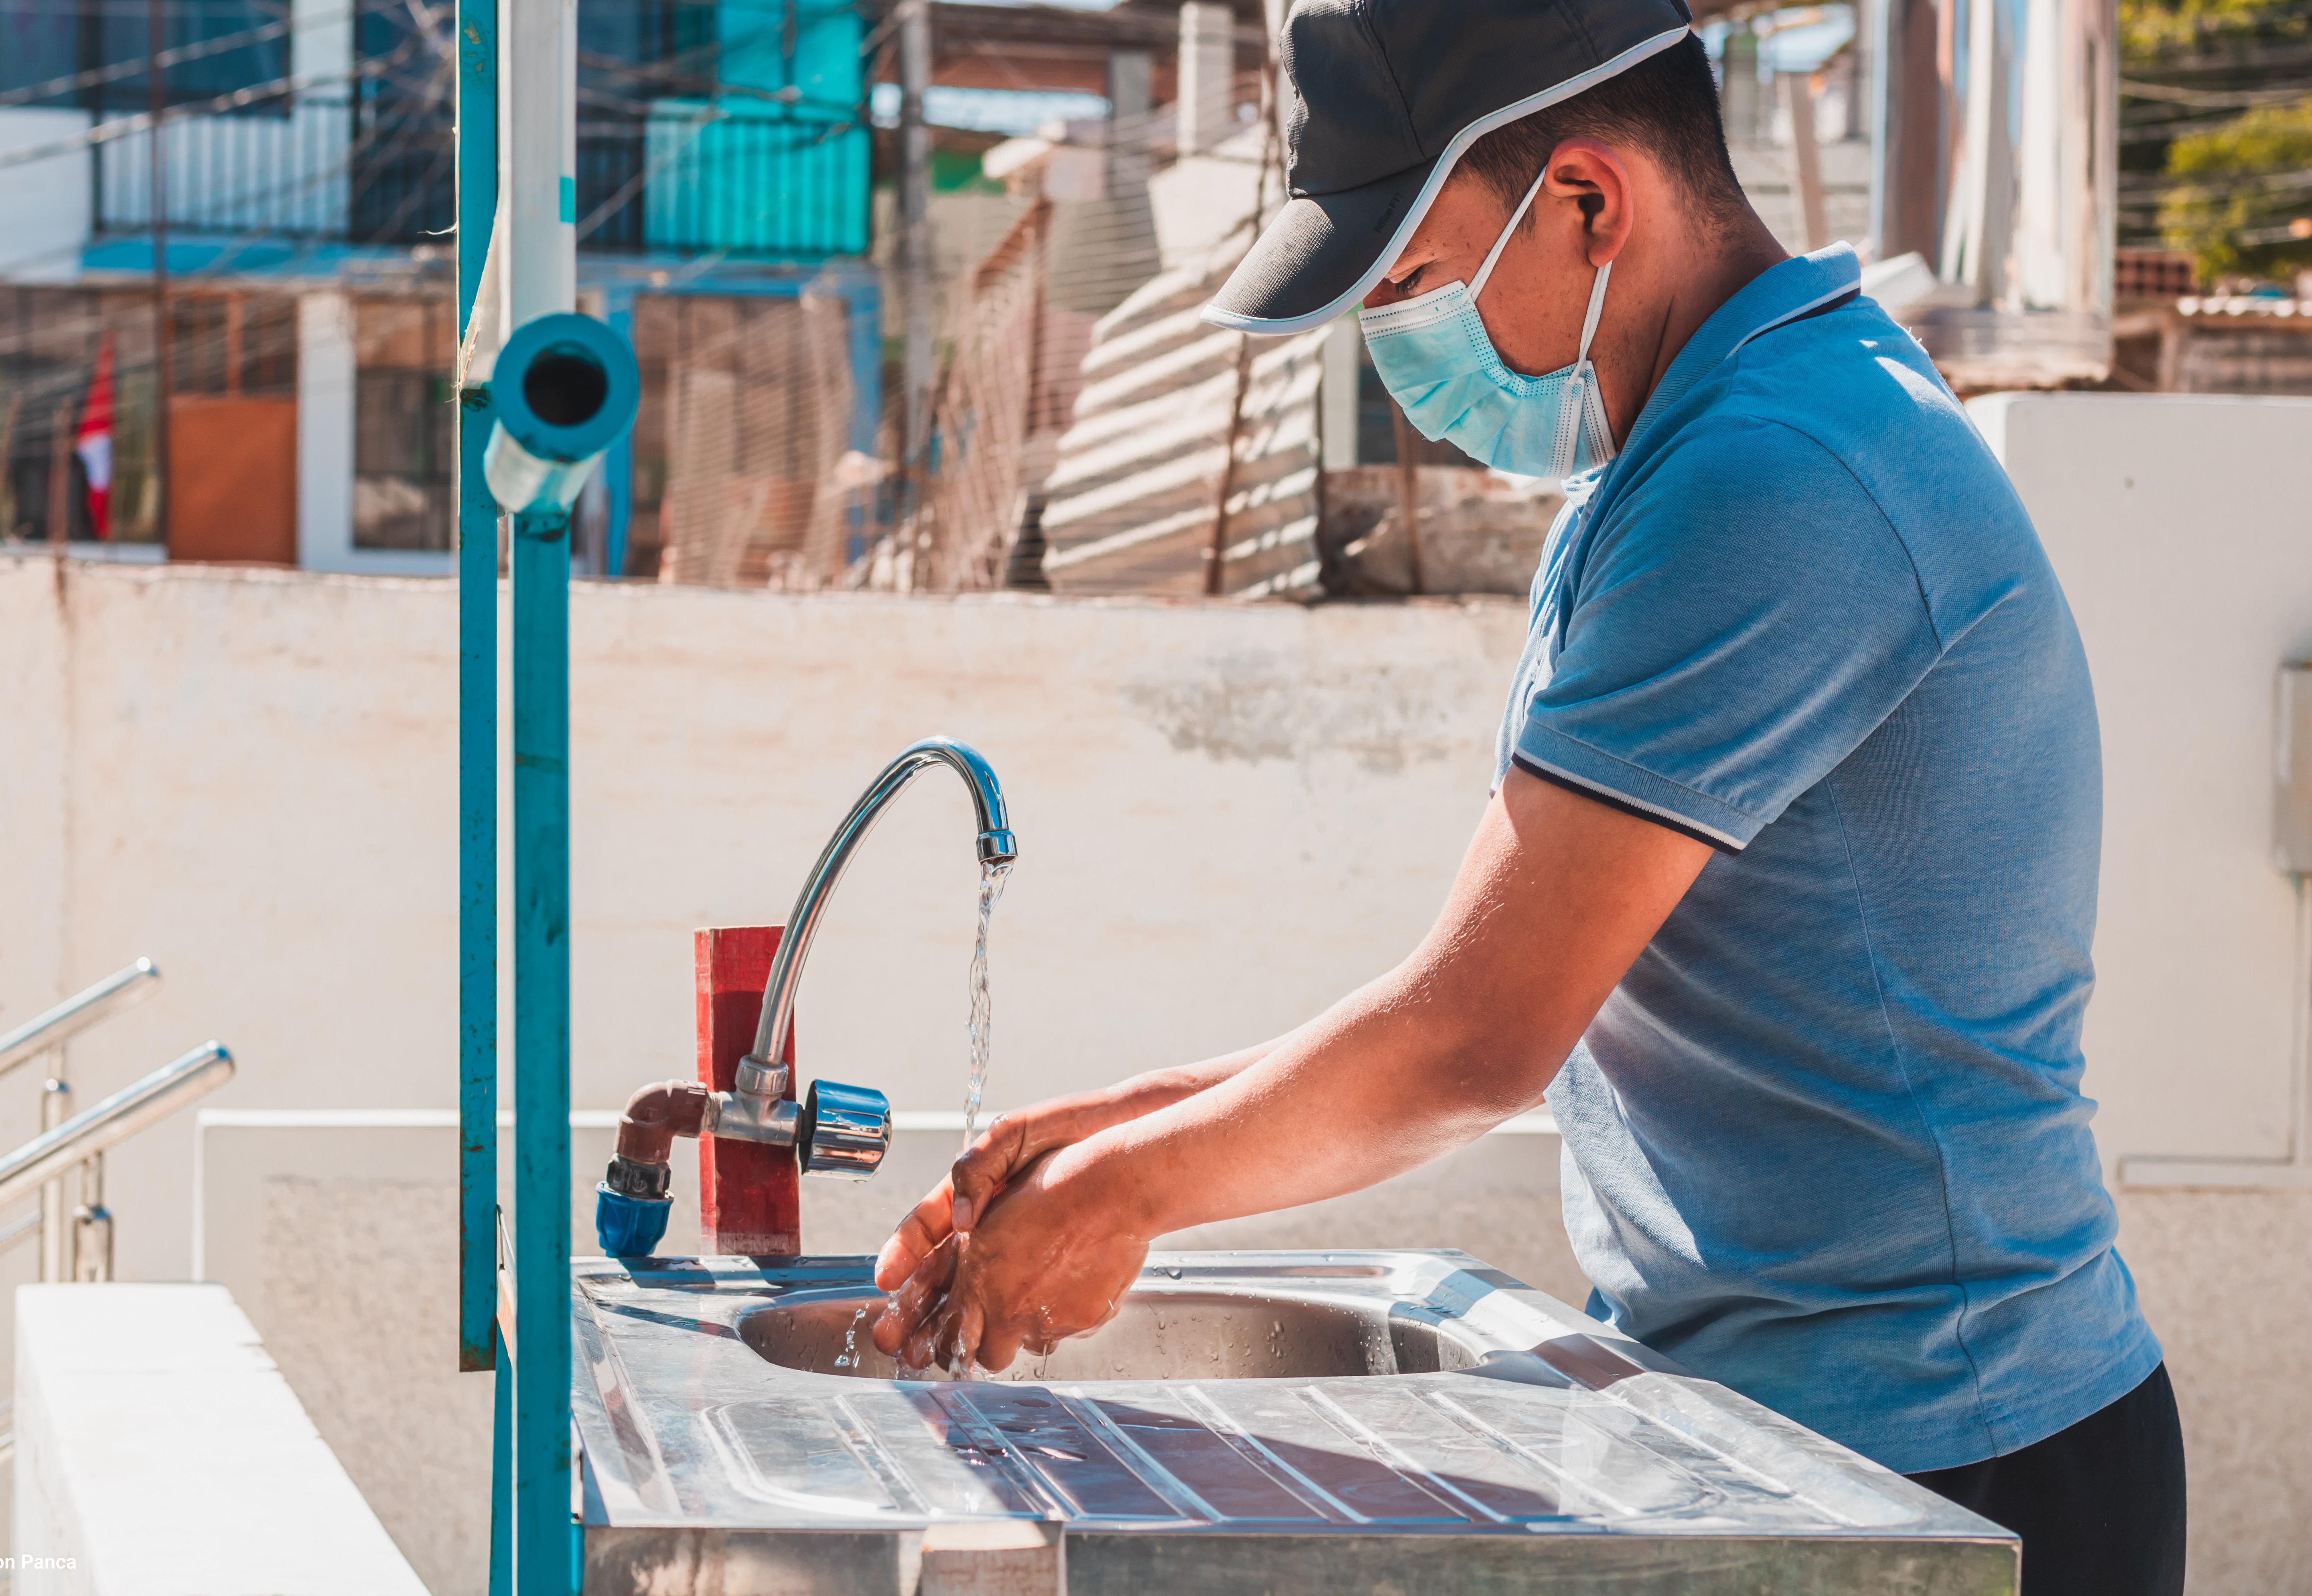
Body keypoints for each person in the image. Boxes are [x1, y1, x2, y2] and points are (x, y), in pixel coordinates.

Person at [870, 3, 2184, 1590]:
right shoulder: (1674, 459)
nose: (1399, 348)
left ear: (1585, 199)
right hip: (1809, 1437)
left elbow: (1476, 1039)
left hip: (1955, 1456)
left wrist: (1127, 1195)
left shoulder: (1776, 476)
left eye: (1412, 284)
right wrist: (1103, 1129)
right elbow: (1469, 984)